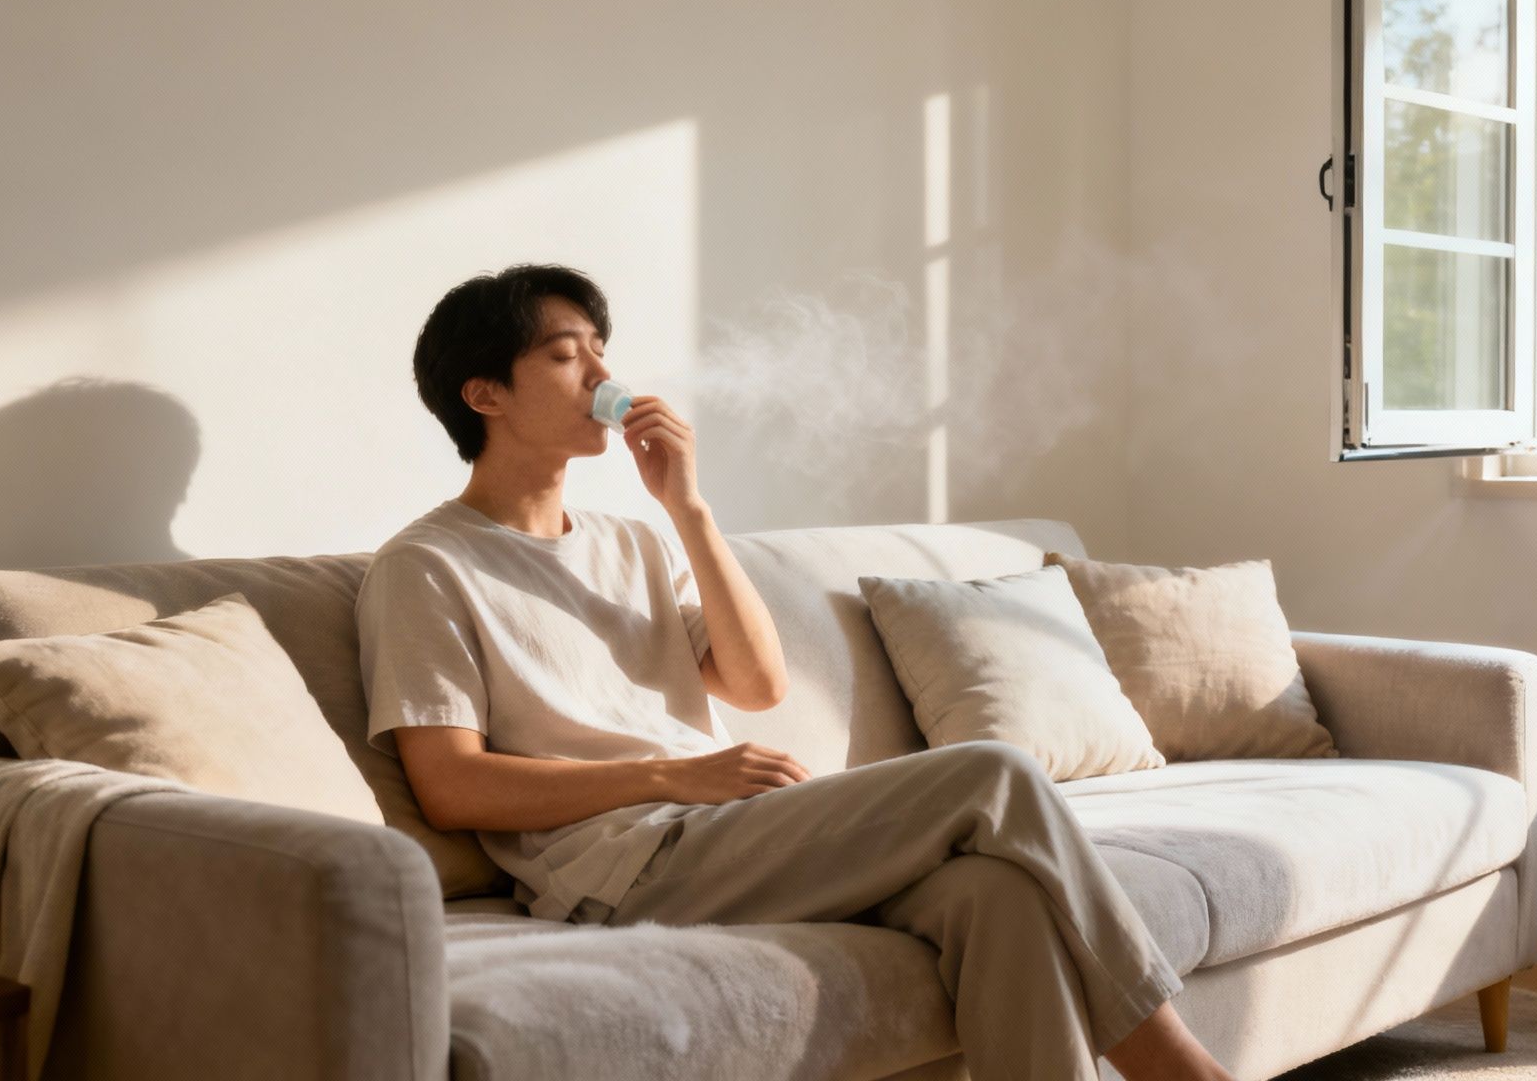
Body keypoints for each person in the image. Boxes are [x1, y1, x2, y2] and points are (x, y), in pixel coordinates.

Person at [356, 263, 1235, 1081]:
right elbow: (451, 787)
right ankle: (1185, 1071)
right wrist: (677, 774)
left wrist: (688, 508)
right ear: (485, 394)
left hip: (727, 831)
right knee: (994, 775)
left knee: (995, 894)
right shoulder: (426, 567)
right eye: (562, 353)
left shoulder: (631, 541)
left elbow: (757, 684)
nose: (598, 371)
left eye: (600, 348)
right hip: (621, 870)